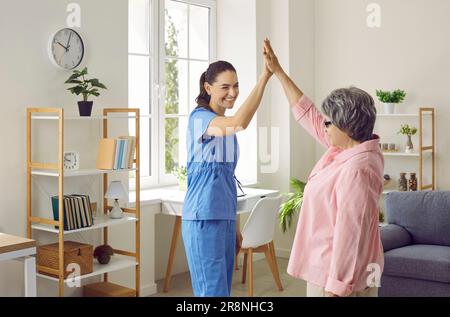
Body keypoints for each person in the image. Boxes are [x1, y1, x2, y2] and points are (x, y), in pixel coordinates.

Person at [263, 40, 384, 297]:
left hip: (336, 279)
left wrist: (337, 288)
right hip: (328, 271)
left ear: (346, 126)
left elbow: (351, 234)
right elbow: (309, 115)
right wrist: (279, 72)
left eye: (329, 122)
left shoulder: (357, 170)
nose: (324, 126)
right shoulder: (347, 148)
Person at [182, 55, 272, 297]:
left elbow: (225, 182)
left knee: (222, 293)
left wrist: (234, 227)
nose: (232, 93)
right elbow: (239, 122)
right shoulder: (199, 119)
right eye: (225, 87)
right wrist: (265, 77)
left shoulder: (225, 130)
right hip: (203, 220)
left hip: (223, 219)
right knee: (212, 293)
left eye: (236, 86)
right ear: (208, 88)